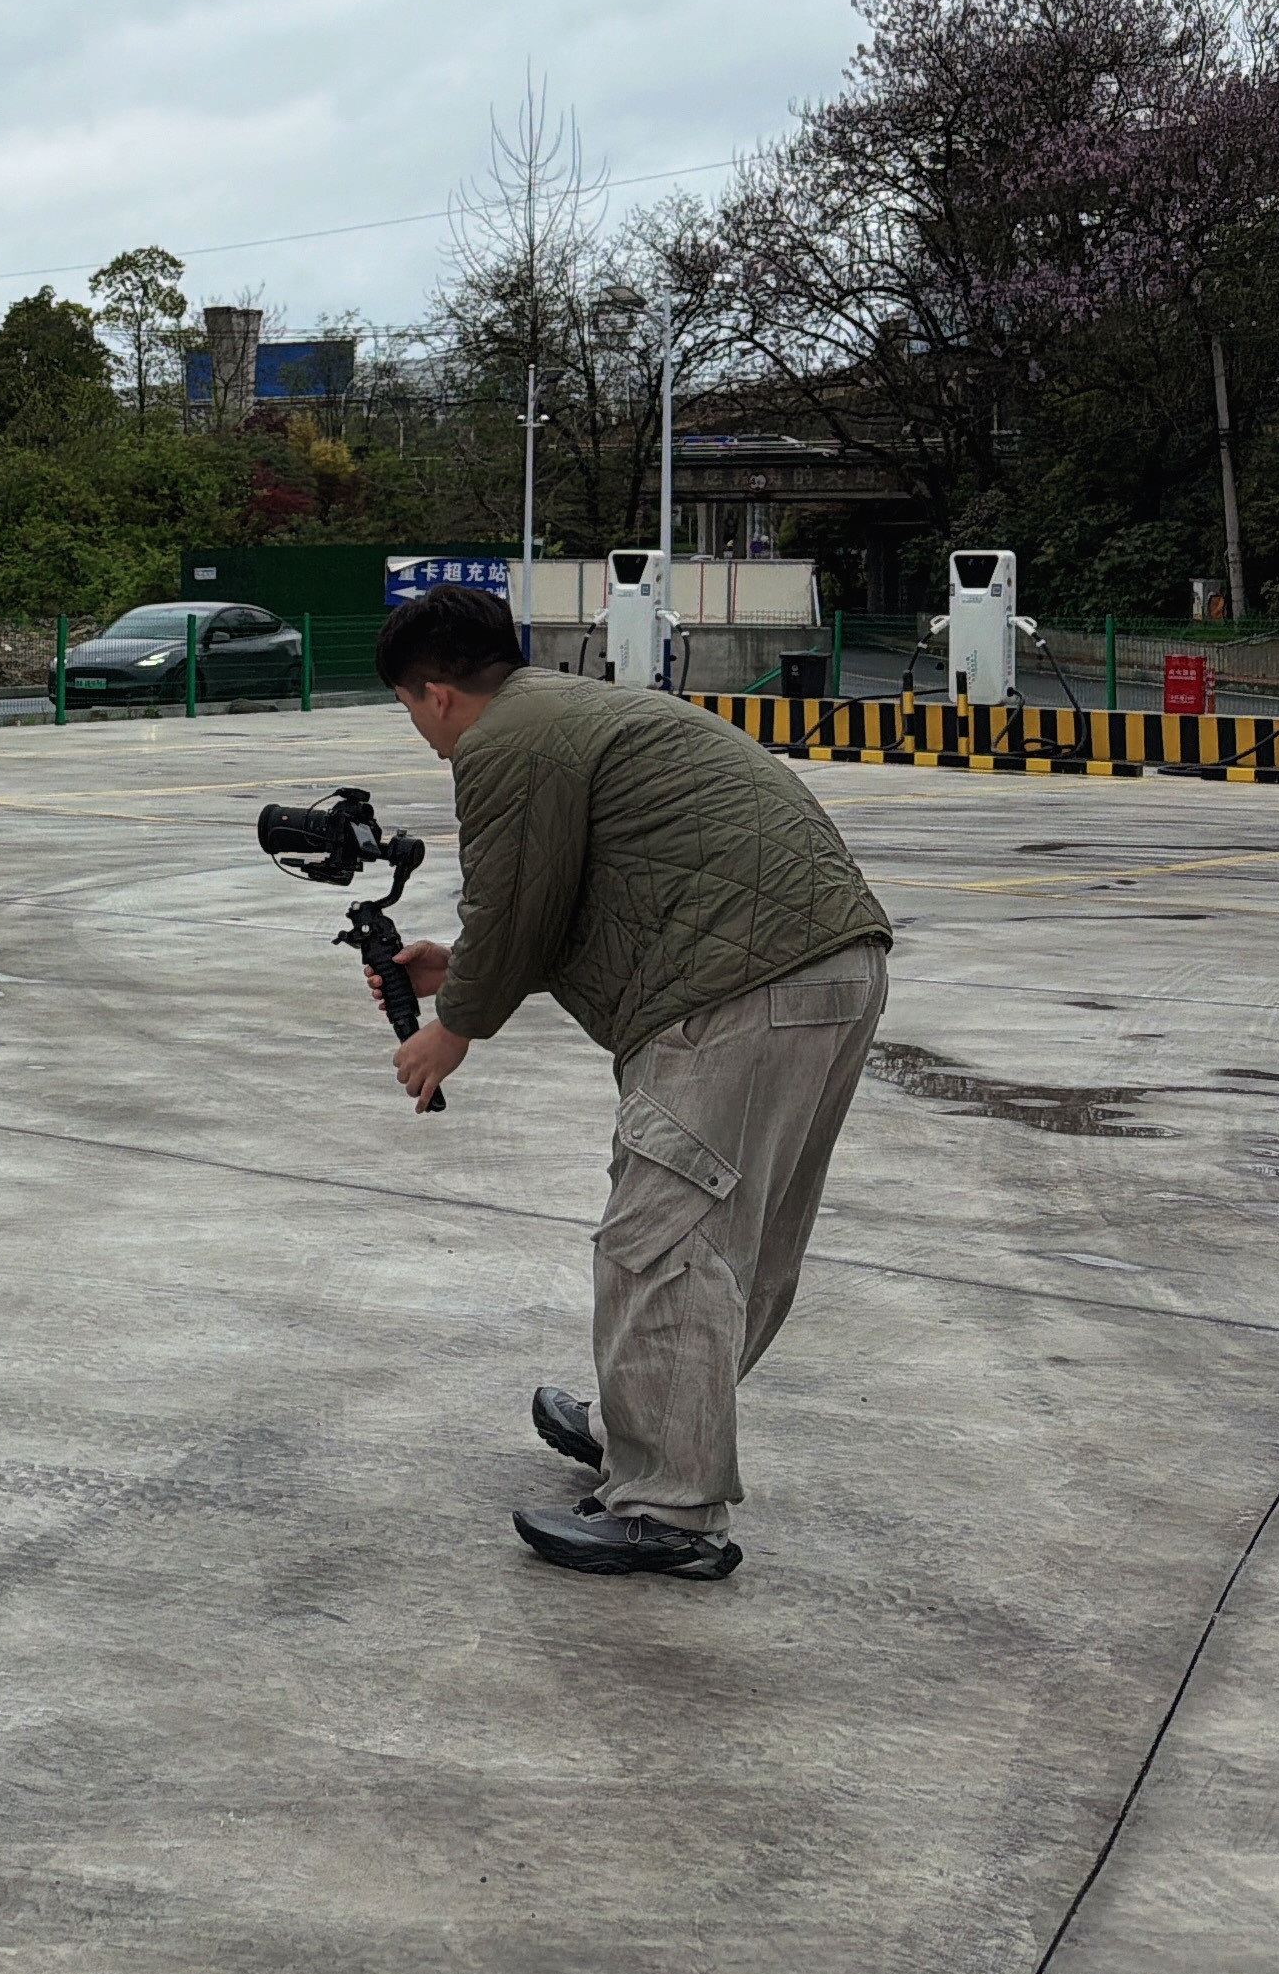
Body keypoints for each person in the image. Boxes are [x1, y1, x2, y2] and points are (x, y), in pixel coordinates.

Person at [371, 583, 894, 1581]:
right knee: (734, 1241)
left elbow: (512, 902)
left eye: (409, 709)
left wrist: (453, 1028)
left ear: (434, 693)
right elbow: (577, 897)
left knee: (661, 1236)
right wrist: (466, 970)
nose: (424, 735)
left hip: (739, 984)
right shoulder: (573, 712)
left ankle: (667, 1508)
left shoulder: (504, 740)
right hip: (829, 967)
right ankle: (640, 1432)